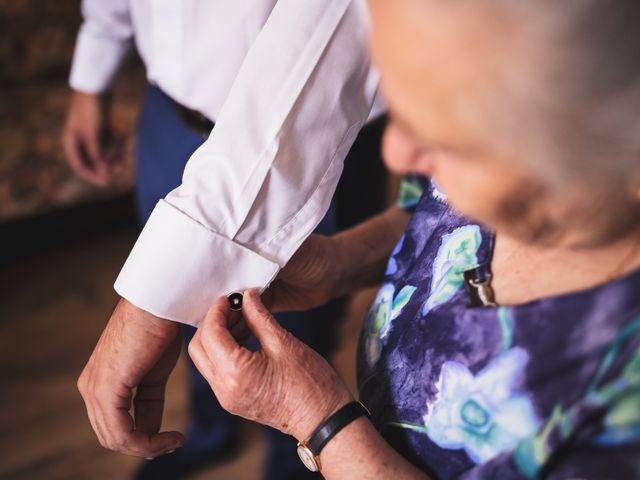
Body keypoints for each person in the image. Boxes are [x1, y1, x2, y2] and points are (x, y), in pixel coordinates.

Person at [187, 0, 640, 478]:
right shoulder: (493, 103)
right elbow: (427, 213)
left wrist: (319, 423)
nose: (395, 151)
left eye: (451, 143)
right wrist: (339, 263)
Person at [66, 1, 386, 479]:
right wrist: (93, 70)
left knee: (298, 330)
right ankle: (211, 429)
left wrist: (146, 302)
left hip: (320, 137)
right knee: (194, 323)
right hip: (169, 115)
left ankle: (293, 460)